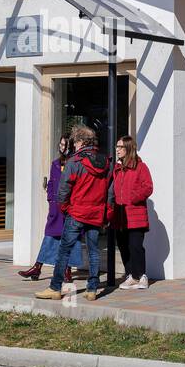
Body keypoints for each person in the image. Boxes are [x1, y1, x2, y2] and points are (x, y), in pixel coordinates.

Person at [37, 125, 107, 302]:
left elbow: (63, 191)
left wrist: (65, 209)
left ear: (82, 141)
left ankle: (55, 287)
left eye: (75, 142)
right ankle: (92, 289)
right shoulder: (105, 162)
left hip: (76, 213)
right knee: (93, 251)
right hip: (96, 213)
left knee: (64, 251)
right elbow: (109, 190)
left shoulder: (74, 162)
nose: (73, 146)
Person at [18, 135, 81, 282]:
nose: (61, 147)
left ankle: (67, 270)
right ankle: (37, 267)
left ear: (70, 147)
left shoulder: (76, 163)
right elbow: (52, 183)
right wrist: (51, 200)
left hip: (71, 208)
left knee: (72, 238)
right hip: (56, 208)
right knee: (50, 236)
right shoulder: (55, 163)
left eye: (64, 145)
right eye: (60, 145)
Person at [111, 135, 154, 290]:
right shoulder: (116, 168)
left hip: (135, 215)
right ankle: (131, 276)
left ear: (128, 148)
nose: (117, 149)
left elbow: (148, 187)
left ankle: (141, 276)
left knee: (136, 246)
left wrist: (133, 197)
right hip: (120, 216)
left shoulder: (140, 167)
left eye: (120, 147)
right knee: (123, 246)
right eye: (117, 146)